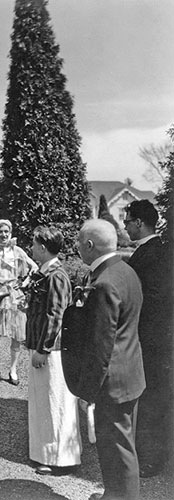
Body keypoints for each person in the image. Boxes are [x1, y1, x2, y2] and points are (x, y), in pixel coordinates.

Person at [76, 219, 145, 500]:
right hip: (130, 372)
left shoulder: (103, 283)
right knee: (118, 445)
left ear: (89, 246)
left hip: (112, 380)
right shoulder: (126, 271)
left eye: (79, 243)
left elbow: (100, 345)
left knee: (119, 448)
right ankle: (112, 494)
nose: (77, 248)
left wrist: (87, 391)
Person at [26, 226, 81, 475]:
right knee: (44, 402)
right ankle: (45, 454)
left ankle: (62, 459)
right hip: (42, 347)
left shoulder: (56, 276)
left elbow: (56, 315)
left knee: (56, 401)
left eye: (35, 244)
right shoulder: (44, 273)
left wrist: (43, 349)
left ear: (44, 247)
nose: (32, 248)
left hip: (53, 351)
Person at [124, 200, 173, 477]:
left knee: (153, 395)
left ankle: (153, 458)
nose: (125, 226)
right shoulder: (153, 251)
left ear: (140, 223)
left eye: (128, 221)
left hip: (152, 339)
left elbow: (155, 299)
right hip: (154, 337)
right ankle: (149, 453)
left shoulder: (151, 254)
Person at [0, 219, 37, 385]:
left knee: (16, 334)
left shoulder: (16, 250)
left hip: (13, 294)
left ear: (10, 232)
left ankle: (13, 370)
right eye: (0, 232)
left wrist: (24, 283)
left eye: (6, 232)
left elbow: (34, 268)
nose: (3, 235)